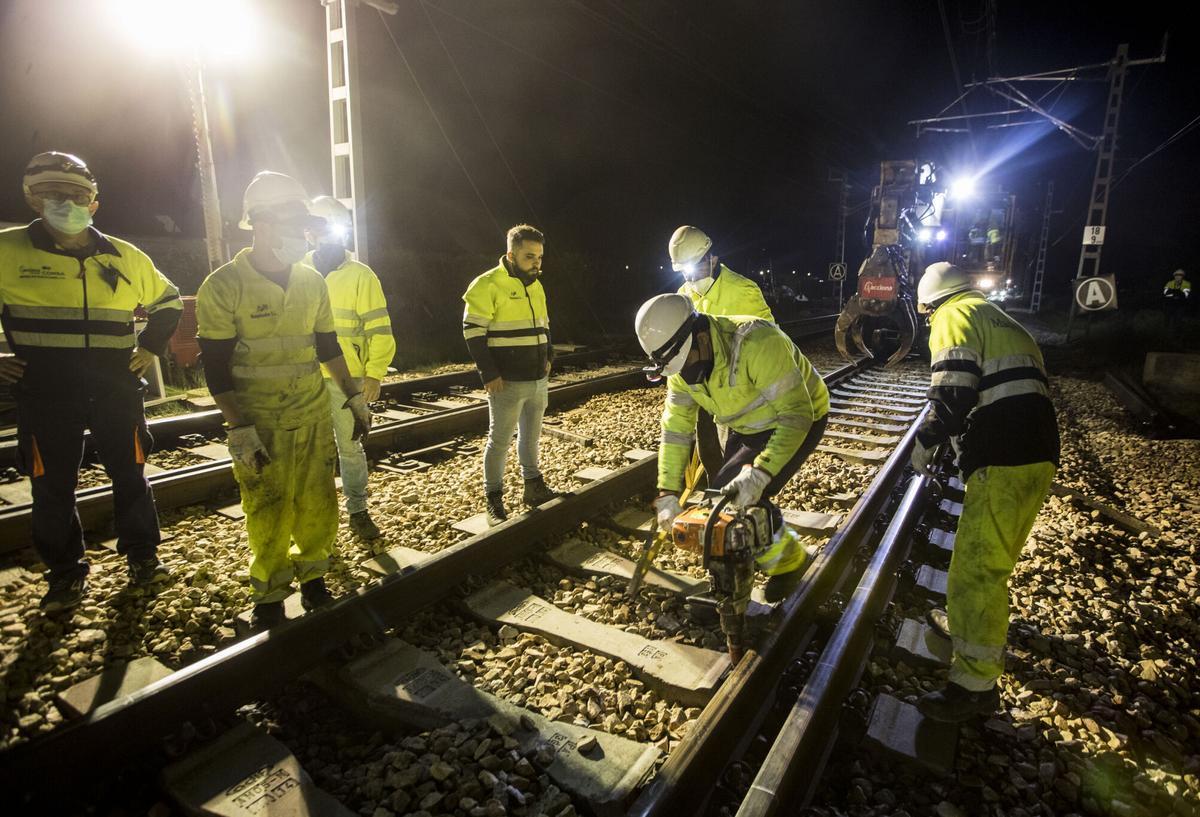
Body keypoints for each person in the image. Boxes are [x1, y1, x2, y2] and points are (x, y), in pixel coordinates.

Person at [0, 152, 182, 612]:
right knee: (50, 483)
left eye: (77, 195)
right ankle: (64, 575)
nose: (66, 203)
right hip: (45, 391)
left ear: (94, 203)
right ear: (32, 198)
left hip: (115, 388)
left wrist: (151, 348)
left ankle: (143, 557)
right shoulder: (7, 251)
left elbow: (168, 299)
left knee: (131, 473)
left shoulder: (124, 255)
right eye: (53, 194)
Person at [196, 171, 372, 629]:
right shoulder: (224, 285)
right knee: (267, 506)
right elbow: (214, 366)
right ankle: (270, 592)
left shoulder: (311, 281)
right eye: (295, 220)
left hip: (312, 411)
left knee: (317, 500)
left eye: (304, 222)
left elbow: (327, 345)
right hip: (260, 420)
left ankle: (314, 573)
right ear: (261, 222)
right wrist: (238, 426)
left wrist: (353, 397)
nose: (304, 231)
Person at [911, 262, 1060, 722]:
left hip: (1004, 455)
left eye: (925, 316)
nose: (929, 324)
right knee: (994, 559)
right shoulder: (1002, 318)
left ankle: (974, 686)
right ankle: (964, 625)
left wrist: (925, 441)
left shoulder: (955, 316)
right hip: (1038, 452)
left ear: (930, 305)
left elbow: (952, 391)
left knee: (977, 569)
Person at [634, 293, 829, 602]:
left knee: (738, 503)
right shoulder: (681, 367)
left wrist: (761, 473)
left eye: (686, 364)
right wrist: (667, 491)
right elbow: (675, 430)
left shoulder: (757, 342)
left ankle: (791, 565)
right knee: (724, 500)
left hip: (798, 417)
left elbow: (797, 414)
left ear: (700, 335)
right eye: (677, 369)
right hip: (745, 424)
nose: (686, 375)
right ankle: (744, 573)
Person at [305, 196, 395, 542]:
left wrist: (374, 373)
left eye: (323, 228)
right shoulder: (299, 270)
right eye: (313, 229)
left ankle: (357, 510)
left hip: (347, 379)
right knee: (312, 450)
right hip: (306, 378)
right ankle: (318, 515)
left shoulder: (360, 275)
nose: (318, 235)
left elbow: (379, 329)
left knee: (349, 447)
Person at [462, 224, 560, 526]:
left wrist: (549, 357)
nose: (536, 263)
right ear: (511, 254)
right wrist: (488, 373)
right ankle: (493, 498)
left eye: (540, 257)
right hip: (506, 380)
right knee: (499, 440)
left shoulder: (536, 285)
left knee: (530, 436)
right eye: (530, 257)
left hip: (536, 378)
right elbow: (472, 332)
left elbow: (544, 325)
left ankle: (532, 486)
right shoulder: (486, 284)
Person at [668, 225, 774, 486]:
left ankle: (743, 510)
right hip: (706, 392)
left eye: (693, 267)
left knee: (737, 460)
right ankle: (720, 505)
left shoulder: (743, 291)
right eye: (682, 270)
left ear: (712, 259)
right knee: (709, 454)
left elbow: (771, 342)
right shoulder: (683, 296)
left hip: (740, 394)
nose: (689, 277)